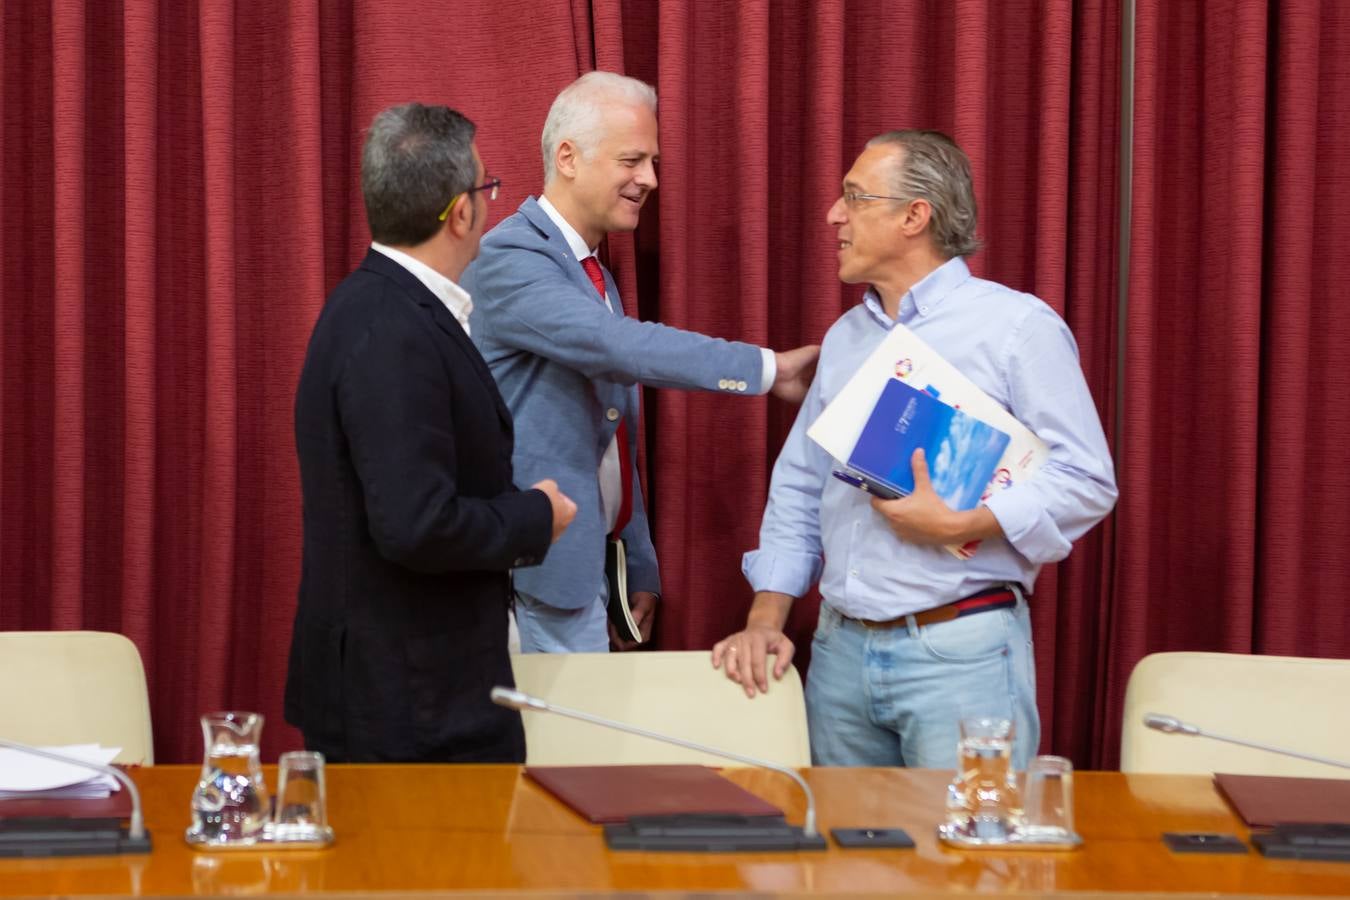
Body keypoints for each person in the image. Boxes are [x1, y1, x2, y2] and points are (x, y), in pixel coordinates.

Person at [711, 130, 1118, 769]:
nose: (833, 216)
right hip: (838, 658)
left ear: (914, 216)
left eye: (853, 197)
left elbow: (1087, 480)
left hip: (961, 655)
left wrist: (965, 523)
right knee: (851, 864)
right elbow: (799, 484)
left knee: (969, 864)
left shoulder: (1016, 328)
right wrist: (767, 617)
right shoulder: (846, 336)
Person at [463, 72, 819, 654]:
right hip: (532, 583)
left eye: (653, 161)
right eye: (633, 160)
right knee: (558, 748)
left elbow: (608, 437)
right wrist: (768, 369)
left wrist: (637, 564)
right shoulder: (510, 257)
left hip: (588, 575)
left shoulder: (590, 272)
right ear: (568, 157)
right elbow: (620, 347)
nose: (650, 180)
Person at [285, 103, 576, 763]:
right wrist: (535, 516)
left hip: (406, 690)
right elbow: (415, 524)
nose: (488, 203)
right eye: (485, 187)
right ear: (461, 212)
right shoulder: (393, 327)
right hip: (410, 706)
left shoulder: (377, 307)